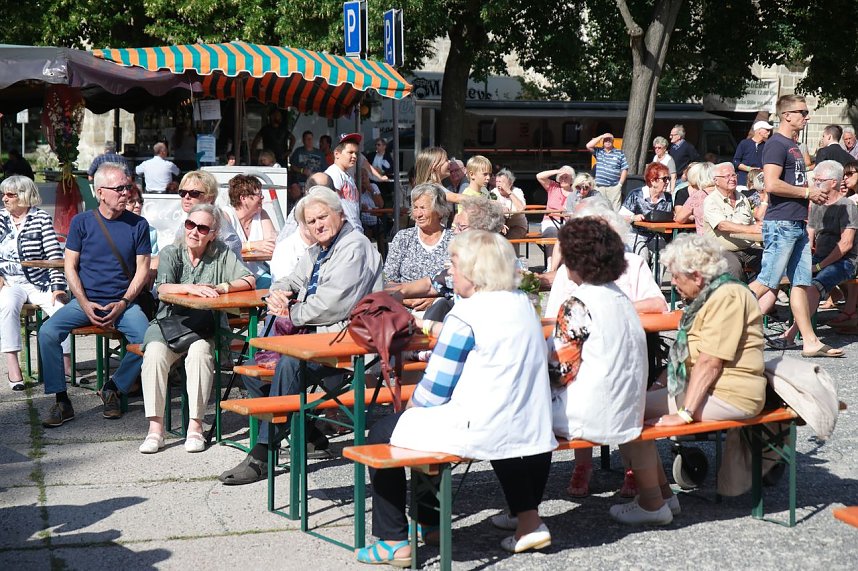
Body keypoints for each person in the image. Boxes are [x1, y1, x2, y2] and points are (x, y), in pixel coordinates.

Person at [356, 231, 556, 565]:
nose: (450, 271)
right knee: (415, 430)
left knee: (383, 434)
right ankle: (513, 521)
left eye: (454, 263)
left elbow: (433, 392)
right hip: (527, 419)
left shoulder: (466, 315)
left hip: (480, 424)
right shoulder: (523, 302)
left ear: (476, 271)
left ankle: (394, 539)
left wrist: (408, 411)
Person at [219, 186, 382, 485]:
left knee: (290, 366)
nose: (318, 224)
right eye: (311, 221)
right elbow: (291, 278)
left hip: (351, 342)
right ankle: (307, 433)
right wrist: (278, 294)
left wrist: (290, 313)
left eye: (323, 217)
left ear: (340, 214)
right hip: (320, 336)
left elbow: (333, 305)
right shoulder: (320, 249)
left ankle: (263, 452)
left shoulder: (354, 246)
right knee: (256, 372)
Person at [613, 233, 766, 525]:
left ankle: (652, 503)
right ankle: (661, 497)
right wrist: (661, 388)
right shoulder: (711, 294)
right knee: (629, 407)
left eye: (674, 276)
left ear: (696, 275)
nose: (673, 283)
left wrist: (684, 415)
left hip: (732, 393)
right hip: (716, 389)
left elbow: (710, 361)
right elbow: (692, 358)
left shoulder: (728, 296)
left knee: (628, 412)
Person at [544, 200, 665, 499]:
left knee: (522, 413)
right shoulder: (620, 298)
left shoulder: (578, 305)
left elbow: (559, 373)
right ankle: (660, 496)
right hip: (629, 404)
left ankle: (522, 511)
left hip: (591, 413)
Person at [38, 163, 151, 426]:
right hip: (84, 301)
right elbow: (70, 266)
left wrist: (123, 303)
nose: (126, 193)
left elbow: (142, 269)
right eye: (120, 188)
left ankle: (114, 386)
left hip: (123, 302)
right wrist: (85, 304)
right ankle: (61, 400)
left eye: (128, 187)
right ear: (101, 192)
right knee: (47, 333)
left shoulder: (138, 224)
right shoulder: (82, 222)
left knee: (148, 341)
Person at [138, 204, 255, 454]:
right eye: (190, 225)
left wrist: (223, 287)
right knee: (155, 355)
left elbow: (249, 279)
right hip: (169, 324)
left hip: (204, 326)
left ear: (212, 233)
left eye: (202, 228)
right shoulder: (172, 251)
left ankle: (195, 426)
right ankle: (155, 430)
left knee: (201, 353)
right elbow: (163, 288)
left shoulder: (221, 253)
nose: (194, 232)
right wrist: (191, 288)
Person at [749, 94, 840, 357]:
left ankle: (810, 342)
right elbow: (771, 184)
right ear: (787, 115)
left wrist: (811, 191)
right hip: (782, 224)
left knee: (801, 282)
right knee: (767, 281)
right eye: (802, 112)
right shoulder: (776, 144)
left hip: (796, 223)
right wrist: (806, 193)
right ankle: (718, 318)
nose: (806, 116)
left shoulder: (792, 145)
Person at [769, 160, 855, 351]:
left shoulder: (847, 205)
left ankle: (790, 335)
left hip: (846, 261)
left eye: (819, 180)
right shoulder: (818, 203)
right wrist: (803, 259)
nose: (814, 183)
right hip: (821, 258)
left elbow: (846, 244)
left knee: (814, 286)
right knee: (789, 278)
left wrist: (818, 266)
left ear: (833, 182)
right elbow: (809, 235)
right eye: (814, 179)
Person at [0, 177, 71, 391]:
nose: (5, 198)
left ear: (24, 195)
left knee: (62, 310)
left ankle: (65, 364)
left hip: (39, 281)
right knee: (6, 305)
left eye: (10, 195)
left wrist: (58, 287)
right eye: (3, 194)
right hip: (11, 282)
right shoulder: (0, 219)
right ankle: (13, 367)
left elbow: (53, 254)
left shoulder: (40, 218)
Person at [383, 184, 453, 310]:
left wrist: (437, 299)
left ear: (438, 211)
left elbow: (459, 284)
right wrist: (406, 298)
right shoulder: (403, 238)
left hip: (441, 310)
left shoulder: (454, 241)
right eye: (415, 208)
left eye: (423, 208)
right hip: (403, 309)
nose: (418, 214)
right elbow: (388, 279)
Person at [703, 163, 763, 280]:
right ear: (716, 181)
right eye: (727, 176)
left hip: (747, 247)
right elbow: (722, 225)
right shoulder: (711, 201)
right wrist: (750, 229)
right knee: (733, 267)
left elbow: (752, 223)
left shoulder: (742, 198)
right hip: (722, 250)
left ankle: (763, 294)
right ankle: (736, 296)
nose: (732, 179)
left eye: (734, 175)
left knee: (771, 261)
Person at [222, 175, 277, 289]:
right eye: (259, 195)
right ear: (243, 198)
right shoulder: (225, 215)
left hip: (258, 274)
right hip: (233, 277)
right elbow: (224, 247)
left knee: (277, 287)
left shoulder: (261, 214)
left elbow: (272, 243)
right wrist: (253, 246)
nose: (262, 198)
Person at [174, 171, 243, 257]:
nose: (186, 197)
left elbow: (231, 256)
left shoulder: (218, 224)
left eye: (194, 193)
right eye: (182, 192)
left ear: (209, 198)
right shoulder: (186, 220)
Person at [621, 162, 673, 258]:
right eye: (664, 179)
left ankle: (657, 274)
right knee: (642, 254)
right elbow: (620, 218)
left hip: (658, 236)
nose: (667, 182)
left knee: (664, 257)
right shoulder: (636, 195)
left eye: (668, 178)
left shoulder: (669, 198)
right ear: (653, 180)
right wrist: (633, 218)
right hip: (636, 235)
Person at [324, 133, 364, 231]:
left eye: (356, 153)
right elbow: (331, 204)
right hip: (344, 233)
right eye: (350, 152)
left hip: (354, 230)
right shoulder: (334, 173)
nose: (354, 156)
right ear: (337, 154)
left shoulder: (347, 176)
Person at [586, 133, 629, 210]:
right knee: (599, 210)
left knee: (614, 212)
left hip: (614, 188)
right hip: (599, 187)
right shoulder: (599, 151)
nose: (608, 141)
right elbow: (588, 145)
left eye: (609, 140)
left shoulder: (619, 153)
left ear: (613, 141)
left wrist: (620, 184)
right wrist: (601, 136)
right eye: (606, 140)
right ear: (602, 141)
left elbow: (624, 169)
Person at [536, 165, 575, 243]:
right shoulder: (553, 187)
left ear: (572, 179)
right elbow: (539, 176)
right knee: (551, 233)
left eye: (566, 177)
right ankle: (551, 255)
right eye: (561, 177)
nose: (563, 179)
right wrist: (558, 171)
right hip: (550, 221)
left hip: (568, 222)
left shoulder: (575, 192)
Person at [673, 162, 716, 234]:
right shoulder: (724, 191)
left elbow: (679, 218)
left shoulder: (697, 196)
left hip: (705, 239)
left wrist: (693, 216)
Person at [732, 121, 773, 187]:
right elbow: (736, 161)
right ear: (759, 131)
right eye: (767, 130)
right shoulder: (744, 143)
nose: (769, 132)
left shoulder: (767, 146)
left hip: (759, 182)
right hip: (743, 181)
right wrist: (750, 169)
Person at [490, 168, 528, 240]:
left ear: (510, 183)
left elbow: (521, 208)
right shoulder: (493, 193)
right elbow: (493, 207)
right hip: (500, 225)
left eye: (502, 182)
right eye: (497, 181)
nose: (499, 184)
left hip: (517, 226)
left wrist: (508, 191)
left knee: (509, 239)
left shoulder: (517, 191)